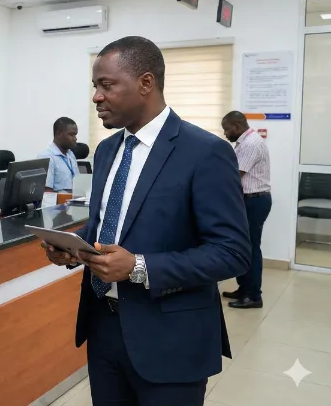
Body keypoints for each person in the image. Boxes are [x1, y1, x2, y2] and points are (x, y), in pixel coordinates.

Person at [42, 36, 250, 406]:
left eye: (107, 85)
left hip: (171, 337)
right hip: (104, 328)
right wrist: (76, 247)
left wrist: (138, 267)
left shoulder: (205, 152)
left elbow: (232, 253)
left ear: (146, 83)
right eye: (95, 87)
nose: (96, 97)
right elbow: (109, 223)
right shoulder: (108, 151)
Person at [221, 111, 272, 309]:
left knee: (250, 248)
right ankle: (243, 289)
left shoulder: (251, 144)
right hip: (249, 200)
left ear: (236, 125)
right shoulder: (244, 142)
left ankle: (253, 295)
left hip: (254, 201)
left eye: (226, 129)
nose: (225, 133)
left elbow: (234, 175)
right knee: (243, 246)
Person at [38, 117, 80, 192]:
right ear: (59, 134)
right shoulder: (47, 157)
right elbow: (46, 191)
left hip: (74, 200)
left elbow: (78, 184)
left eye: (75, 135)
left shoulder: (70, 154)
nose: (75, 138)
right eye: (71, 135)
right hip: (58, 203)